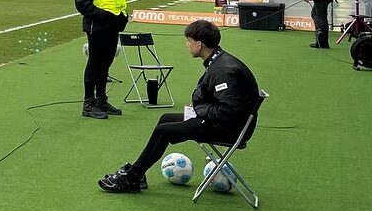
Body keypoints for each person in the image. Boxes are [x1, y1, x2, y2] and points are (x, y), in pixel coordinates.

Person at [98, 18, 262, 193]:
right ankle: (137, 173)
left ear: (199, 44)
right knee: (165, 119)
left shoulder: (223, 70)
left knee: (164, 130)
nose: (187, 45)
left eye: (189, 41)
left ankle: (132, 177)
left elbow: (229, 111)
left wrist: (199, 110)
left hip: (229, 128)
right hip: (222, 121)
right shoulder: (218, 61)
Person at [74, 0, 129, 119]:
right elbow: (83, 5)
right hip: (97, 27)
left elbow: (117, 0)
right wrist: (106, 17)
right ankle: (89, 103)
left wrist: (122, 18)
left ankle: (101, 100)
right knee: (95, 64)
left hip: (111, 27)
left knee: (105, 64)